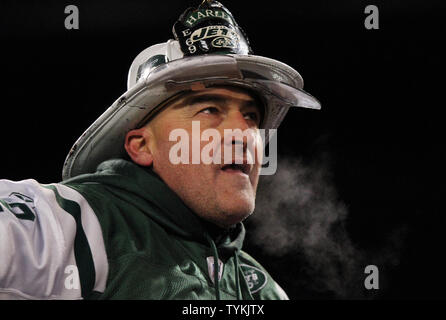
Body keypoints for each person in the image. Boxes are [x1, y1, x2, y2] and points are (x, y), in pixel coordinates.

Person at [0, 0, 320, 300]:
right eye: (209, 109)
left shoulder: (260, 289)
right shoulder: (74, 223)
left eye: (251, 116)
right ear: (141, 146)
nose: (243, 133)